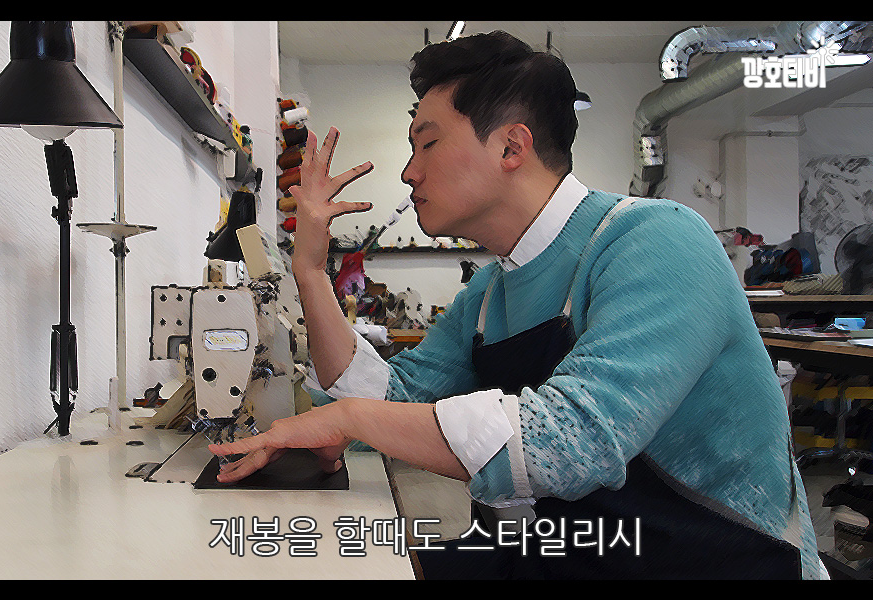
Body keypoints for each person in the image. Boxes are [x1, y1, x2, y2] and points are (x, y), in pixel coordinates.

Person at [209, 30, 824, 579]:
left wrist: (347, 421)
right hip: (587, 549)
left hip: (714, 560)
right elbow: (390, 401)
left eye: (427, 144)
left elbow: (571, 441)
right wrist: (310, 271)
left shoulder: (658, 241)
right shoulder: (490, 293)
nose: (407, 173)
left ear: (511, 147)